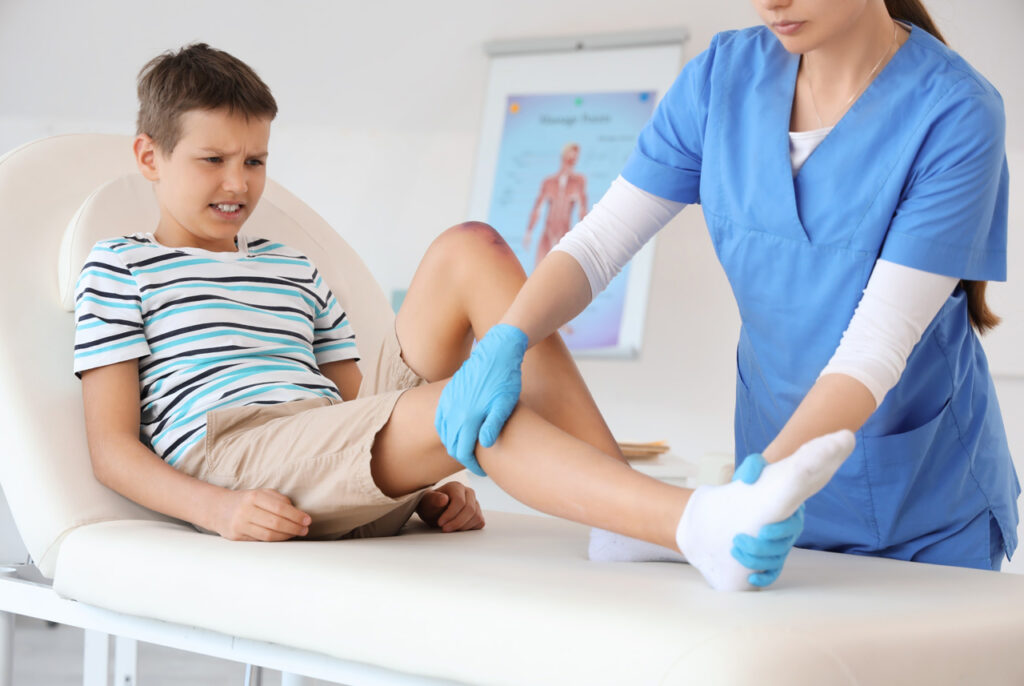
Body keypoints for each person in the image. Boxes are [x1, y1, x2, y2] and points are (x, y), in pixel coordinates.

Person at [75, 43, 855, 593]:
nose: (238, 182)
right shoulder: (119, 267)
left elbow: (357, 412)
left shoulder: (291, 266)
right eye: (211, 160)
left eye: (255, 161)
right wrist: (216, 509)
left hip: (320, 450)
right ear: (150, 158)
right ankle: (683, 522)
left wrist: (414, 488)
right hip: (236, 454)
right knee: (473, 404)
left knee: (469, 247)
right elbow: (113, 450)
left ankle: (618, 510)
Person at [438, 0, 1019, 573]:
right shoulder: (723, 80)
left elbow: (875, 346)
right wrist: (508, 339)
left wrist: (747, 502)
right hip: (765, 496)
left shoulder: (956, 113)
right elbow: (599, 243)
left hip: (920, 509)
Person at [523, 142, 588, 268]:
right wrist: (529, 231)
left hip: (564, 234)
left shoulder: (578, 181)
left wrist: (586, 238)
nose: (572, 159)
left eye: (575, 157)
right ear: (563, 156)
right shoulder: (549, 182)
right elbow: (538, 209)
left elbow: (582, 210)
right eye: (570, 155)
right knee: (540, 271)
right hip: (547, 234)